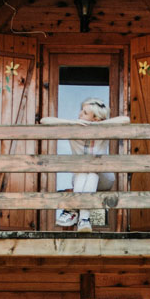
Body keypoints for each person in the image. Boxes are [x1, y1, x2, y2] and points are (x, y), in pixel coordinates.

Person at [40, 98, 129, 232]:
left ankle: (72, 211)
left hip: (104, 179)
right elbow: (44, 121)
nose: (80, 114)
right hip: (81, 177)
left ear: (95, 118)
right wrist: (72, 123)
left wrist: (99, 126)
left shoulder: (103, 128)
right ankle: (84, 219)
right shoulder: (74, 127)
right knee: (85, 170)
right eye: (81, 110)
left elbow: (125, 120)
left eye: (85, 112)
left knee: (93, 169)